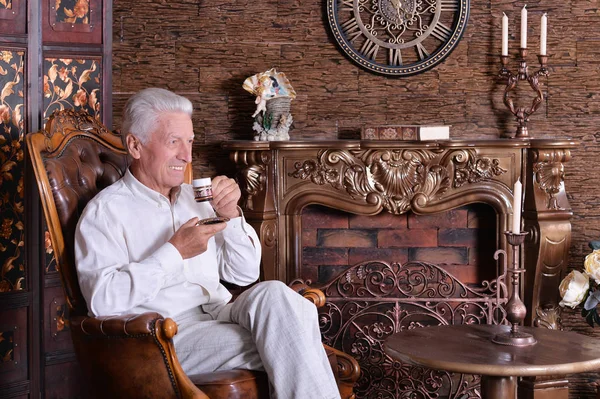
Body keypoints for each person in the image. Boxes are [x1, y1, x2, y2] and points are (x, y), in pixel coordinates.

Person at [74, 88, 340, 399]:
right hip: (167, 337)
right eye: (173, 142)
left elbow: (244, 275)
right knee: (294, 335)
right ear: (135, 145)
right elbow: (102, 301)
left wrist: (232, 216)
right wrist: (175, 252)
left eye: (189, 141)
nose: (186, 156)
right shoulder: (105, 213)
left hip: (220, 313)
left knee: (278, 296)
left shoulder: (196, 198)